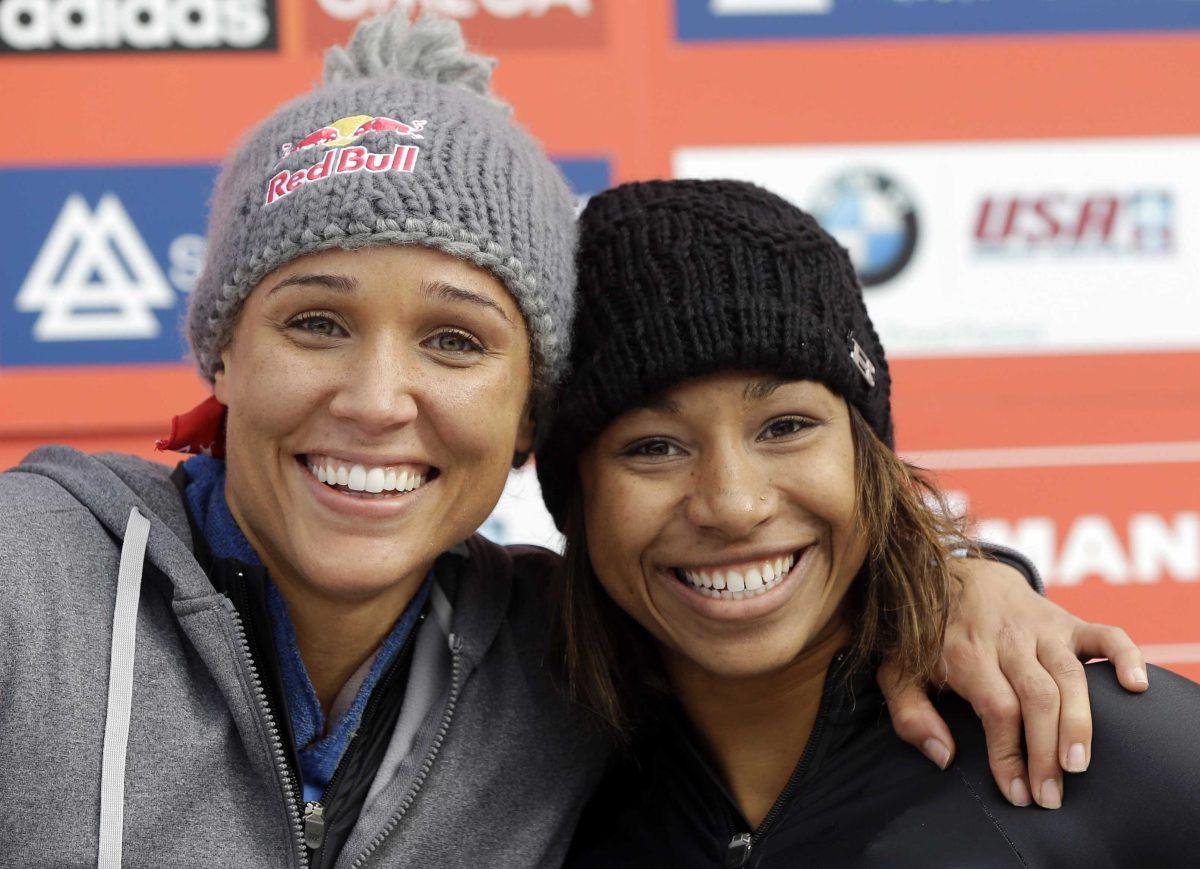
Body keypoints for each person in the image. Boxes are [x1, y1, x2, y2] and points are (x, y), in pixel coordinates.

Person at [0, 15, 1146, 869]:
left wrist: (960, 587)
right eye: (316, 321)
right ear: (222, 353)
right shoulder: (30, 589)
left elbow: (777, 628)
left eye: (455, 340)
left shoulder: (565, 657)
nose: (378, 395)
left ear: (525, 419)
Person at [535, 179, 1200, 868]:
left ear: (866, 457)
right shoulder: (533, 789)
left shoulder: (1092, 741)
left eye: (785, 427)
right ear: (577, 492)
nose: (733, 504)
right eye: (653, 447)